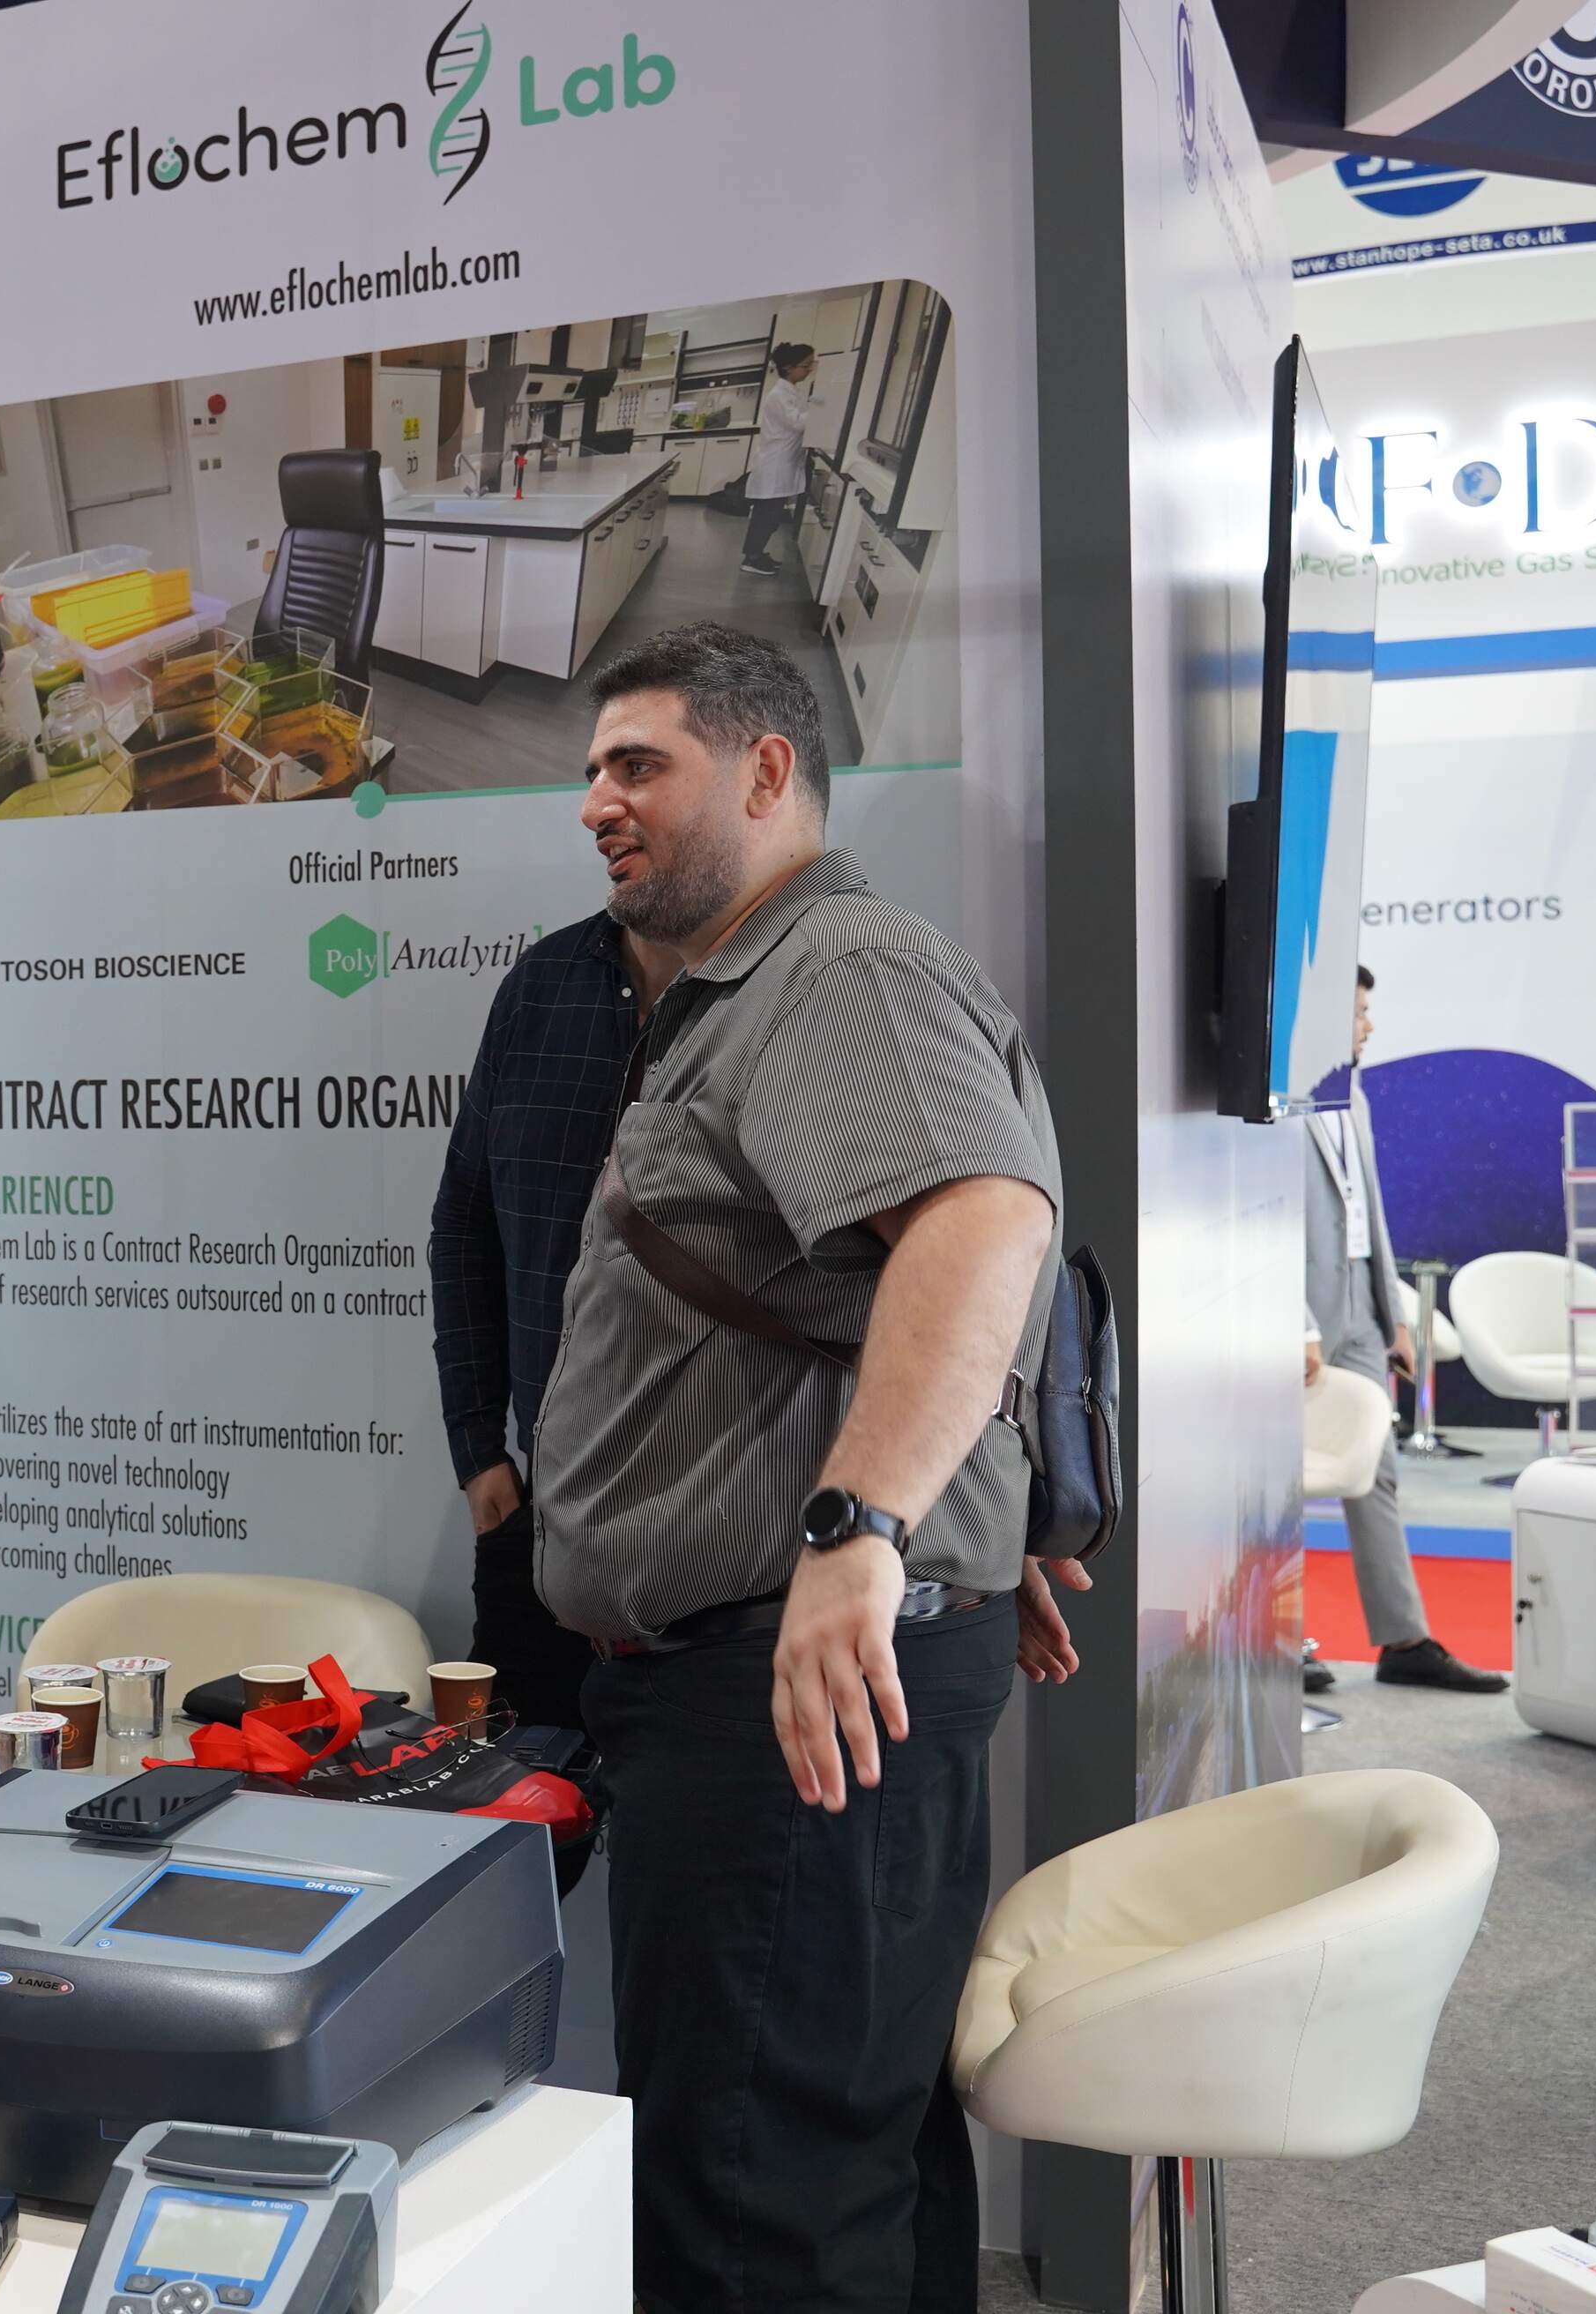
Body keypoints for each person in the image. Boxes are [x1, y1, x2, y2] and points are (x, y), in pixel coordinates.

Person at [531, 622, 1090, 2313]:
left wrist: (864, 1527)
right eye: (592, 769)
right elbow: (871, 1288)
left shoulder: (834, 969)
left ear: (766, 770)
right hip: (783, 1670)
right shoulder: (753, 986)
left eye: (640, 764)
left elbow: (981, 1223)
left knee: (751, 2196)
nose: (598, 802)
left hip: (784, 1679)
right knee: (833, 2141)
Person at [428, 913, 685, 1732]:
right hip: (543, 1523)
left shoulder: (791, 987)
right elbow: (465, 1222)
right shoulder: (542, 984)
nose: (605, 844)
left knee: (691, 1815)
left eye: (639, 772)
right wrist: (478, 1449)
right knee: (515, 1804)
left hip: (720, 1545)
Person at [1307, 963, 1506, 1693]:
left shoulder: (1353, 1094)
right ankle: (1277, 1639)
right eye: (1358, 1011)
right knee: (1274, 1483)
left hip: (1362, 1312)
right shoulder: (1274, 1100)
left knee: (1377, 1470)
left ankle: (1405, 1639)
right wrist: (1296, 1324)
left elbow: (1370, 1212)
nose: (1368, 1025)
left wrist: (1392, 1318)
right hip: (1293, 1321)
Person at [740, 341, 822, 576]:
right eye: (806, 365)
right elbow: (797, 423)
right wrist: (821, 408)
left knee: (771, 515)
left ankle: (756, 553)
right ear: (788, 367)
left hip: (783, 463)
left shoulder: (792, 392)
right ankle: (751, 558)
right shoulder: (778, 395)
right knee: (767, 515)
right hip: (775, 464)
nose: (809, 370)